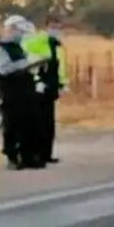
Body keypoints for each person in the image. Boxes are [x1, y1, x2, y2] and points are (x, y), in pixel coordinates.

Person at [0, 16, 49, 169]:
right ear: (10, 29)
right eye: (20, 32)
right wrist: (27, 63)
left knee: (30, 124)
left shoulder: (18, 47)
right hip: (10, 93)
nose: (21, 36)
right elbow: (5, 69)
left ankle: (29, 156)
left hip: (26, 91)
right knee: (13, 125)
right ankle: (12, 157)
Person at [19, 20, 70, 164]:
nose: (56, 30)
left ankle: (47, 153)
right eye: (53, 27)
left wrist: (62, 84)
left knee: (49, 124)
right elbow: (30, 62)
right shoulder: (37, 41)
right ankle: (39, 153)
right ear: (46, 27)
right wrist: (36, 81)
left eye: (59, 27)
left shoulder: (57, 45)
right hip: (39, 89)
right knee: (40, 123)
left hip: (52, 89)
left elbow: (60, 67)